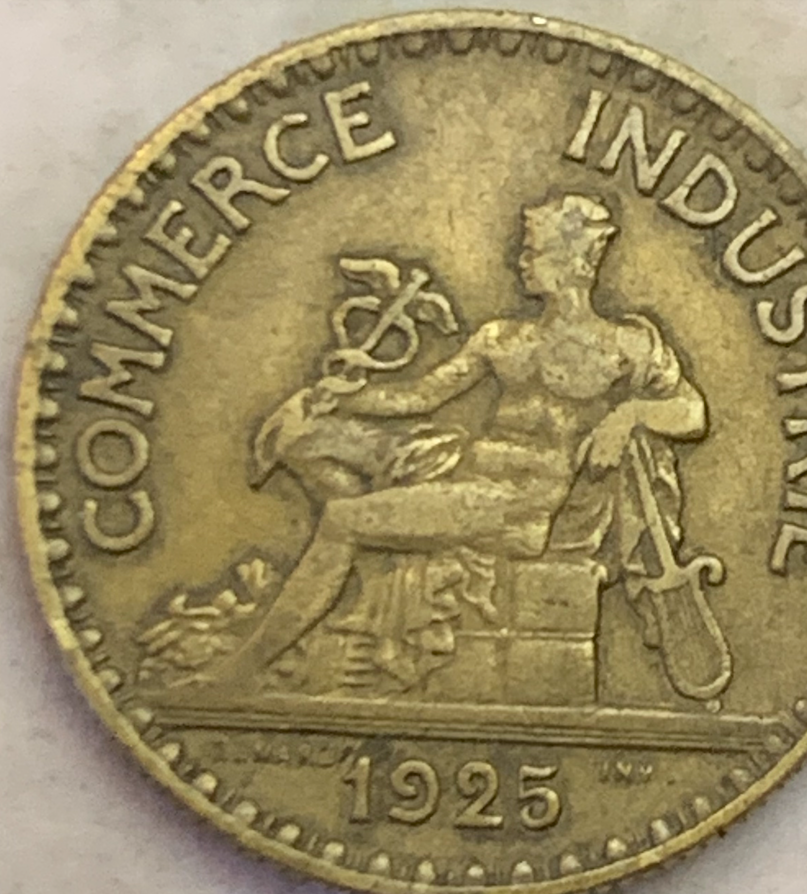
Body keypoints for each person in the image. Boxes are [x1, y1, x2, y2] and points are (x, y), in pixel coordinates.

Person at [214, 192, 707, 685]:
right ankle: (360, 593)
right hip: (465, 469)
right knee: (312, 439)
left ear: (575, 261)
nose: (520, 261)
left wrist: (630, 416)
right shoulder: (501, 338)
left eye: (533, 251)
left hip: (524, 505)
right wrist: (346, 396)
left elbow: (691, 412)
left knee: (343, 521)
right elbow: (421, 396)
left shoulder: (626, 345)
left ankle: (244, 669)